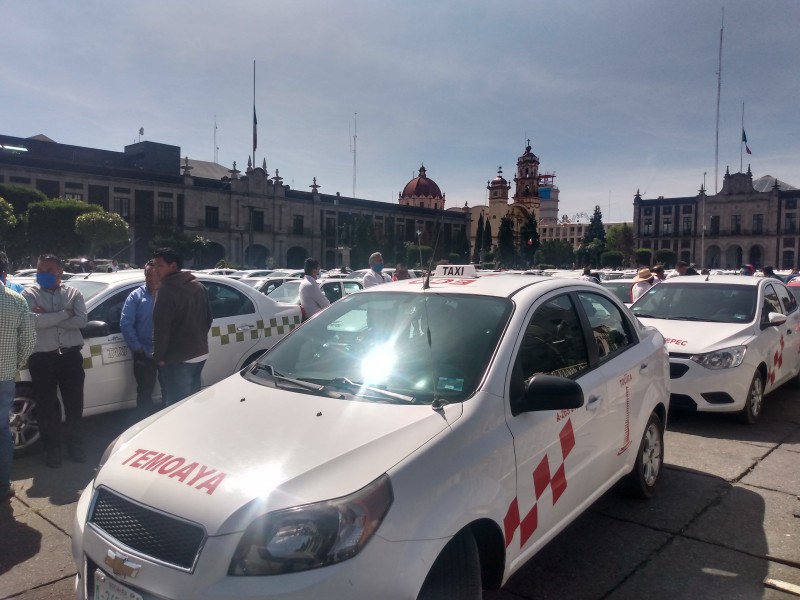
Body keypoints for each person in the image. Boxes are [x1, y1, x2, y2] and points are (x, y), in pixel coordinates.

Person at [22, 254, 88, 467]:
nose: (42, 275)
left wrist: (48, 316)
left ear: (60, 271)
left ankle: (75, 447)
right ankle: (53, 450)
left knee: (74, 405)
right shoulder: (28, 294)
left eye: (48, 271)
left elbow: (82, 320)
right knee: (46, 408)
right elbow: (33, 322)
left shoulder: (74, 293)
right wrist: (64, 314)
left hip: (70, 357)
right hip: (42, 358)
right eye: (40, 270)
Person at [151, 248, 213, 407]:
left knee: (175, 405)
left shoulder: (166, 290)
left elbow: (161, 329)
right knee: (191, 402)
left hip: (178, 358)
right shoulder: (198, 286)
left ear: (172, 266)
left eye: (159, 266)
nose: (155, 270)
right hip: (200, 353)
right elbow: (208, 319)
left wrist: (159, 357)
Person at [0, 272, 36, 502]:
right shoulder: (16, 299)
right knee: (2, 430)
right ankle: (2, 486)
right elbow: (29, 340)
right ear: (4, 272)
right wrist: (14, 364)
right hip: (3, 377)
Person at [120, 260, 162, 417]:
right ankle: (144, 424)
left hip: (166, 352)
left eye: (155, 274)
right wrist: (137, 347)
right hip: (144, 353)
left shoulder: (168, 294)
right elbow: (125, 323)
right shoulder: (136, 296)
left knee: (170, 390)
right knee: (144, 392)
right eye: (148, 274)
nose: (151, 278)